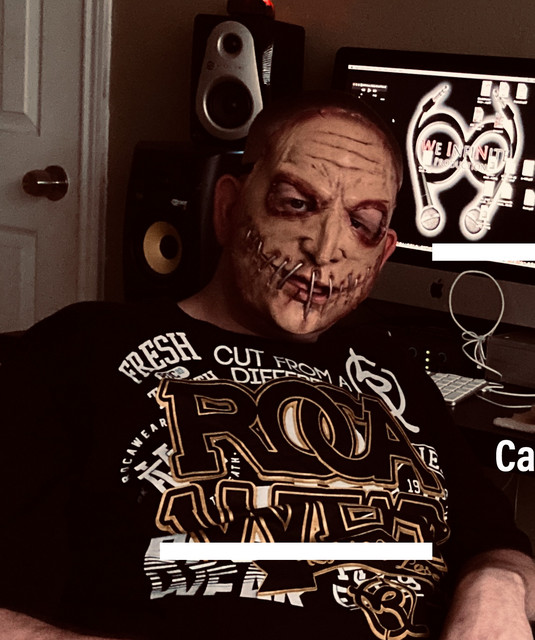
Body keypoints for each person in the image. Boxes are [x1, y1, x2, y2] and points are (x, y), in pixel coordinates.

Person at [1, 90, 534, 640]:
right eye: (297, 203)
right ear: (228, 207)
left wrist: (497, 582)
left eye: (363, 223)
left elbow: (497, 539)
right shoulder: (87, 344)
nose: (325, 248)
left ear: (381, 257)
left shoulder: (392, 368)